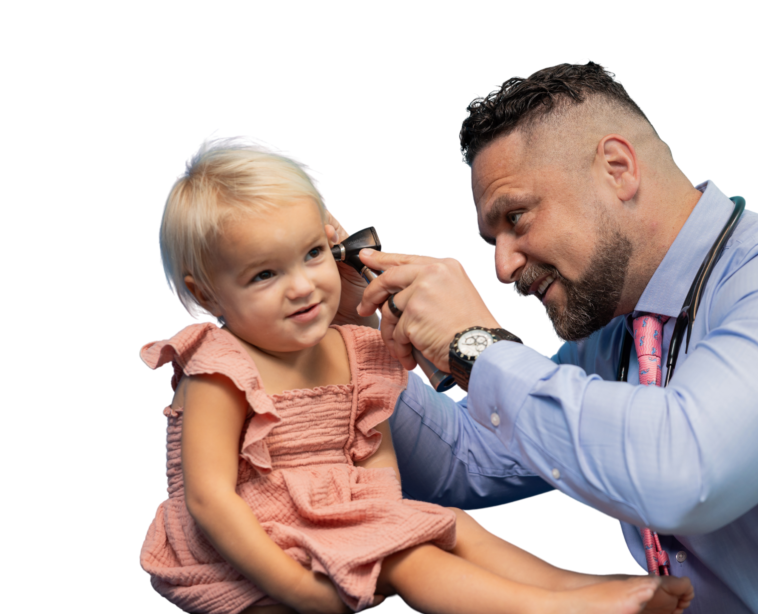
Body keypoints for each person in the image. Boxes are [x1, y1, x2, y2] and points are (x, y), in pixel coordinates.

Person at [332, 60, 758, 612]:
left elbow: (683, 473)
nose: (505, 265)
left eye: (516, 218)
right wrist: (341, 330)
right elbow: (469, 469)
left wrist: (475, 346)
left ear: (618, 168)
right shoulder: (617, 342)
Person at [138, 134, 696, 614]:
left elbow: (376, 463)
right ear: (205, 292)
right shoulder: (220, 368)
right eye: (264, 274)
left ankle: (579, 585)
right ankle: (548, 608)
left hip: (339, 522)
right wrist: (297, 589)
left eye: (312, 253)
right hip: (251, 552)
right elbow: (210, 501)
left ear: (333, 239)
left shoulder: (355, 349)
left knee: (455, 529)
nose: (303, 286)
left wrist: (390, 525)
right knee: (410, 557)